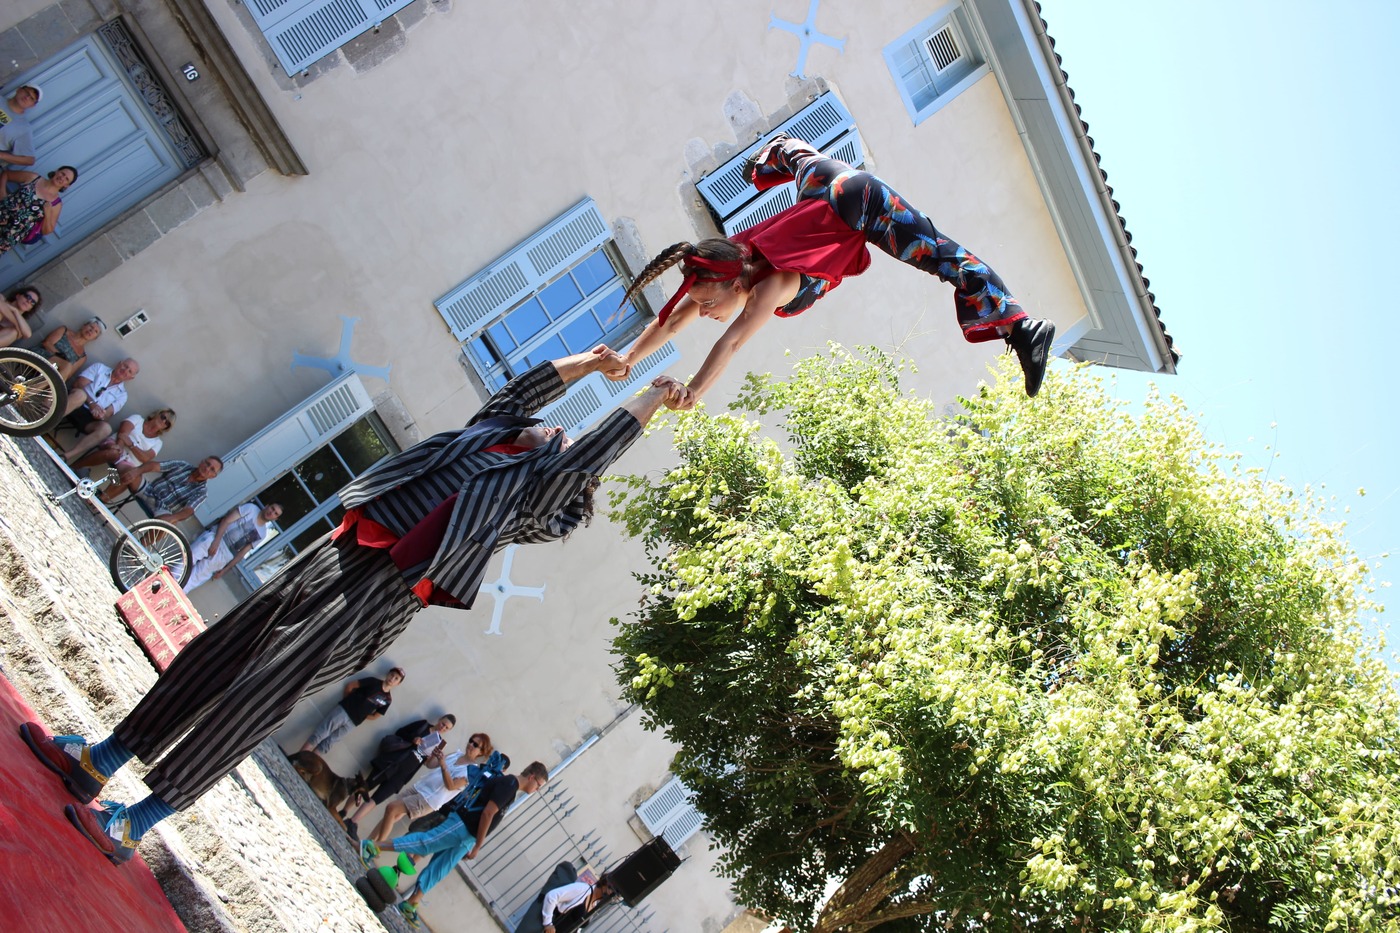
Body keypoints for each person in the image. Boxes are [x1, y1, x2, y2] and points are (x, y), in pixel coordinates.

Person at [19, 346, 678, 866]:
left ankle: (138, 821)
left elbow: (582, 458)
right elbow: (526, 391)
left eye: (564, 440)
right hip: (348, 544)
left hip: (384, 592)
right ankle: (99, 761)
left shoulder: (529, 499)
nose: (559, 429)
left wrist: (647, 397)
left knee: (262, 690)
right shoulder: (494, 435)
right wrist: (592, 363)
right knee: (223, 648)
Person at [613, 134, 1057, 401]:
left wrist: (695, 391)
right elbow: (670, 323)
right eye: (700, 304)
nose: (704, 312)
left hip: (859, 204)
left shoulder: (774, 284)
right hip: (821, 179)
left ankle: (1023, 329)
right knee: (790, 153)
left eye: (708, 304)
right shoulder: (726, 262)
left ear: (733, 284)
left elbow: (730, 344)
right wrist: (629, 358)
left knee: (941, 257)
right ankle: (769, 157)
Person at [366, 761, 549, 927]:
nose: (537, 790)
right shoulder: (509, 784)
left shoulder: (512, 789)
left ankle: (412, 901)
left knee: (442, 867)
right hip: (462, 824)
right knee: (427, 842)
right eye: (538, 785)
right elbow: (488, 813)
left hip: (467, 836)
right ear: (532, 777)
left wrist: (473, 842)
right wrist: (478, 844)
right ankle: (375, 846)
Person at [341, 717, 471, 840]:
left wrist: (434, 756)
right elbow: (401, 732)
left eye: (447, 728)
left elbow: (427, 764)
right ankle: (344, 811)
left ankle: (353, 822)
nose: (443, 728)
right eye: (443, 724)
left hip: (403, 775)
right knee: (367, 786)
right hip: (393, 763)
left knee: (378, 798)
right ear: (439, 720)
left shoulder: (439, 743)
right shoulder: (423, 725)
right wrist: (414, 739)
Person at [359, 733, 491, 847]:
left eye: (475, 745)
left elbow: (451, 786)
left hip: (429, 799)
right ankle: (367, 842)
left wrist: (444, 765)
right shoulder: (456, 754)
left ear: (481, 752)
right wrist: (434, 757)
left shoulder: (471, 771)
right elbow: (430, 765)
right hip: (420, 787)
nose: (470, 745)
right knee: (391, 815)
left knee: (391, 808)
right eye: (471, 741)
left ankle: (376, 847)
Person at [301, 669, 406, 756]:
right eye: (392, 675)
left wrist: (362, 715)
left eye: (396, 678)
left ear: (398, 683)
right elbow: (351, 685)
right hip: (344, 711)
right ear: (388, 674)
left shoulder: (388, 700)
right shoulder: (373, 681)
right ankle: (300, 758)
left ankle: (307, 765)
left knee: (329, 743)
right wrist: (348, 702)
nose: (392, 679)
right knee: (321, 733)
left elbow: (376, 715)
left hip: (353, 723)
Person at [183, 501, 282, 591]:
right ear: (267, 505)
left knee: (194, 579)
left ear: (276, 519)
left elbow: (242, 552)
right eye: (272, 508)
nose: (272, 512)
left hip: (224, 556)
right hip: (214, 538)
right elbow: (226, 520)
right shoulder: (251, 508)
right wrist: (216, 541)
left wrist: (225, 569)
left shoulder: (263, 533)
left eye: (276, 513)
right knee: (185, 561)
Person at [102, 455, 223, 524]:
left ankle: (135, 549)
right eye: (207, 464)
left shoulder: (202, 492)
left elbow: (189, 510)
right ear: (202, 462)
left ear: (213, 476)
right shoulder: (182, 465)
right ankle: (101, 499)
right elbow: (155, 466)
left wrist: (173, 518)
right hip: (149, 490)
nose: (207, 469)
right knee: (130, 472)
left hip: (163, 509)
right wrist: (137, 471)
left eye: (212, 470)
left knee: (168, 524)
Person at [60, 357, 139, 453]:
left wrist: (101, 415)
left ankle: (67, 456)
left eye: (130, 371)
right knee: (80, 395)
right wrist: (91, 403)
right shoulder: (99, 368)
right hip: (74, 401)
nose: (125, 370)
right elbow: (78, 384)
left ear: (131, 378)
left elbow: (107, 415)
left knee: (106, 429)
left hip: (89, 418)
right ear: (119, 363)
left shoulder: (122, 395)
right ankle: (46, 424)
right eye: (125, 366)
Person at [0, 166, 76, 255]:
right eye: (62, 173)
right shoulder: (33, 178)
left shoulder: (56, 204)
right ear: (57, 171)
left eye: (66, 179)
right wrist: (2, 193)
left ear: (66, 185)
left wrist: (47, 214)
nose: (62, 178)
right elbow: (6, 174)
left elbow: (47, 231)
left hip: (7, 237)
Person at [67, 407, 174, 469]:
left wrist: (131, 445)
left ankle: (102, 499)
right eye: (163, 417)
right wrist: (120, 446)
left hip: (129, 462)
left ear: (166, 427)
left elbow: (145, 458)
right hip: (116, 444)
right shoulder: (138, 419)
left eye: (167, 423)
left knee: (128, 476)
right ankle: (74, 467)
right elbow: (123, 433)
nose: (163, 421)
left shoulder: (158, 442)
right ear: (157, 414)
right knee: (113, 453)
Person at [536, 873, 615, 933]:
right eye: (612, 891)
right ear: (605, 885)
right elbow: (552, 896)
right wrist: (548, 924)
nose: (611, 896)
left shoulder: (594, 905)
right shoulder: (583, 889)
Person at [42, 316, 105, 382]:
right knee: (67, 365)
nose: (91, 331)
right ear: (84, 325)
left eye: (96, 331)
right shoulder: (64, 331)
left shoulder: (82, 357)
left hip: (54, 373)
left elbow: (68, 375)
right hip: (43, 357)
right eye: (91, 327)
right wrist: (61, 359)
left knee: (63, 370)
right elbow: (47, 343)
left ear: (95, 338)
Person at [0, 84, 41, 170]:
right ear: (18, 89)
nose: (27, 97)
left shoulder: (24, 128)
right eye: (27, 92)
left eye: (32, 98)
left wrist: (2, 155)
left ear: (33, 105)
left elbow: (29, 160)